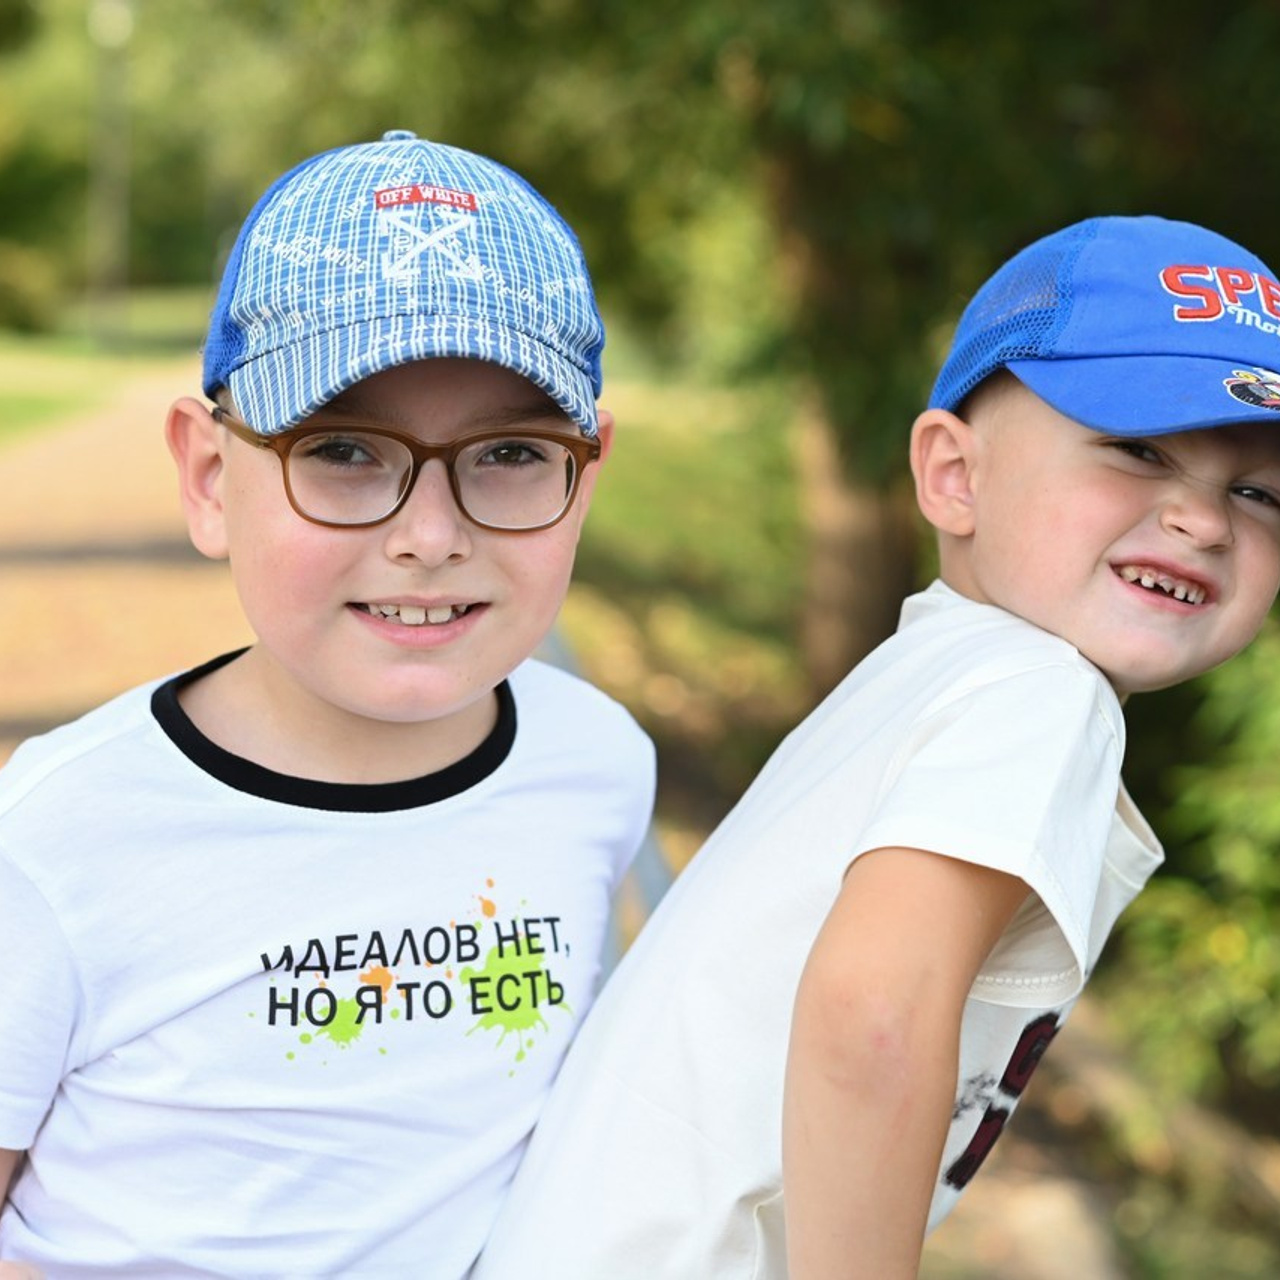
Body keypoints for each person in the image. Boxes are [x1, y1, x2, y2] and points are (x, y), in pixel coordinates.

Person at [473, 214, 1280, 1279]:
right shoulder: (1038, 697)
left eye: (1257, 491)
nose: (1201, 521)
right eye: (1136, 449)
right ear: (953, 473)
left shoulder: (934, 671)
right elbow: (870, 1012)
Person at [0, 130, 656, 1278]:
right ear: (210, 477)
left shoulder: (594, 762)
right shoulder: (57, 837)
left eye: (507, 452)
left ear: (585, 476)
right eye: (344, 448)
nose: (430, 534)